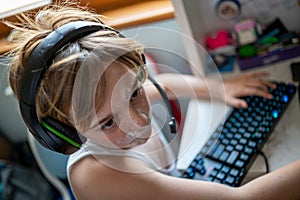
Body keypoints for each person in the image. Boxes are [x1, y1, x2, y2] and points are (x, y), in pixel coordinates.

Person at [5, 2, 300, 200]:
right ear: (66, 134)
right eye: (108, 122)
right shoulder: (96, 174)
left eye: (133, 94)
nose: (139, 120)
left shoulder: (120, 102)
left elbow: (161, 86)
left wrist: (215, 88)